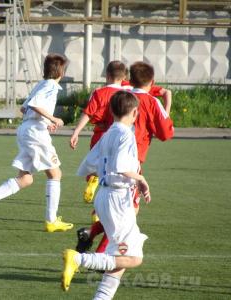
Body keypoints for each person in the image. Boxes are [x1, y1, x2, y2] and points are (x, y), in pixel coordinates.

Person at [76, 61, 174, 254]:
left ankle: (90, 232)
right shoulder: (150, 102)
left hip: (107, 155)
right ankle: (101, 257)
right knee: (127, 214)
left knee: (120, 213)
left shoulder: (121, 96)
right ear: (152, 81)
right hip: (130, 162)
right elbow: (166, 133)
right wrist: (166, 110)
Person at [61, 90, 152, 299]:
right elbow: (121, 167)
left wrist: (109, 173)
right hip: (118, 199)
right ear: (135, 113)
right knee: (133, 257)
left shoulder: (109, 132)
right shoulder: (126, 134)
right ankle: (78, 260)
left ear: (111, 111)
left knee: (119, 258)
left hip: (105, 195)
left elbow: (88, 165)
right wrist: (140, 179)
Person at [0, 53, 73, 233]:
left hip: (27, 129)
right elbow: (35, 105)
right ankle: (51, 221)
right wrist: (53, 119)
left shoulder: (41, 84)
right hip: (35, 132)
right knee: (55, 174)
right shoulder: (51, 86)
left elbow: (24, 108)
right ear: (61, 72)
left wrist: (46, 122)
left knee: (25, 179)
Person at [70, 61, 127, 205]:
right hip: (119, 137)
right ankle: (99, 211)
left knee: (98, 165)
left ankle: (93, 179)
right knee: (115, 171)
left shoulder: (99, 93)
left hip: (100, 136)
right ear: (124, 77)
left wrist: (76, 132)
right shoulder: (127, 95)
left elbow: (88, 113)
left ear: (107, 76)